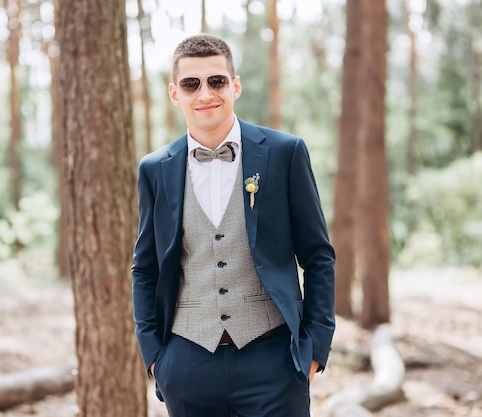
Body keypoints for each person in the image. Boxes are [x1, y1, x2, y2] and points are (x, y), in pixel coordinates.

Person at [132, 34, 336, 417]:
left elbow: (318, 257)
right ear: (175, 94)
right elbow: (145, 267)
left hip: (273, 359)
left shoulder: (284, 152)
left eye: (217, 81)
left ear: (235, 86)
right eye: (192, 84)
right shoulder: (154, 169)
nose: (205, 93)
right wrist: (157, 359)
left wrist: (312, 351)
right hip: (188, 363)